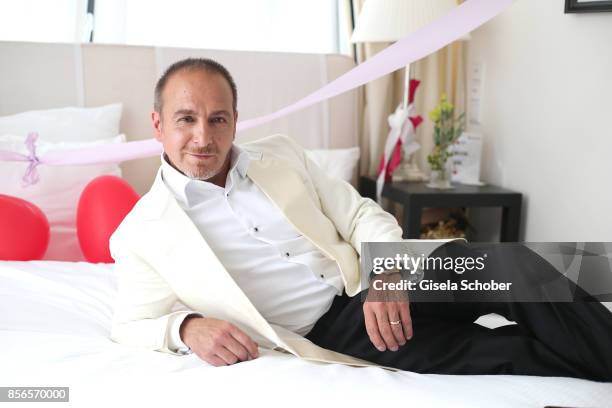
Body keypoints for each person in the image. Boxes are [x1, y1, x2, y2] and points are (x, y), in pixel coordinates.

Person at [109, 57, 612, 381]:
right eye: (186, 119)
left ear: (235, 119)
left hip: (389, 275)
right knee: (506, 355)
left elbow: (360, 214)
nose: (204, 137)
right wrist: (186, 327)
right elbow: (130, 322)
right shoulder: (141, 233)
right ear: (158, 124)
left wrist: (387, 273)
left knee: (522, 269)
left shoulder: (280, 154)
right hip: (334, 329)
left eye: (218, 118)